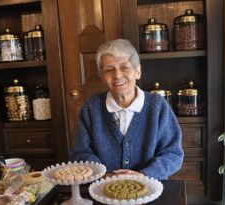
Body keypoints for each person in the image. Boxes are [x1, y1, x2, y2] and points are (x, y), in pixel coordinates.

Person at [69, 39, 184, 180]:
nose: (117, 75)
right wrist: (103, 176)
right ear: (102, 77)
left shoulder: (158, 107)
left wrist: (144, 175)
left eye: (124, 67)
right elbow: (80, 152)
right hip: (102, 189)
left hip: (150, 188)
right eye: (109, 70)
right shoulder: (91, 108)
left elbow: (173, 154)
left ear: (138, 72)